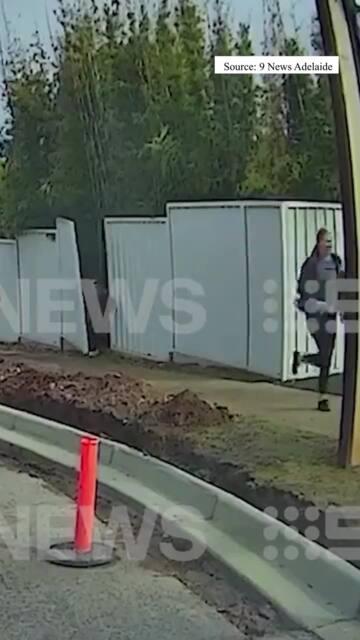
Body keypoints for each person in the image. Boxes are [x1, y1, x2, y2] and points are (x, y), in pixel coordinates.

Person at [292, 228, 343, 413]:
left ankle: (322, 397)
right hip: (315, 316)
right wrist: (323, 306)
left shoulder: (336, 262)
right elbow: (304, 295)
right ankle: (322, 396)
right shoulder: (310, 265)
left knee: (327, 357)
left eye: (331, 241)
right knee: (325, 355)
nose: (329, 244)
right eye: (325, 241)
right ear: (318, 243)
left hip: (331, 316)